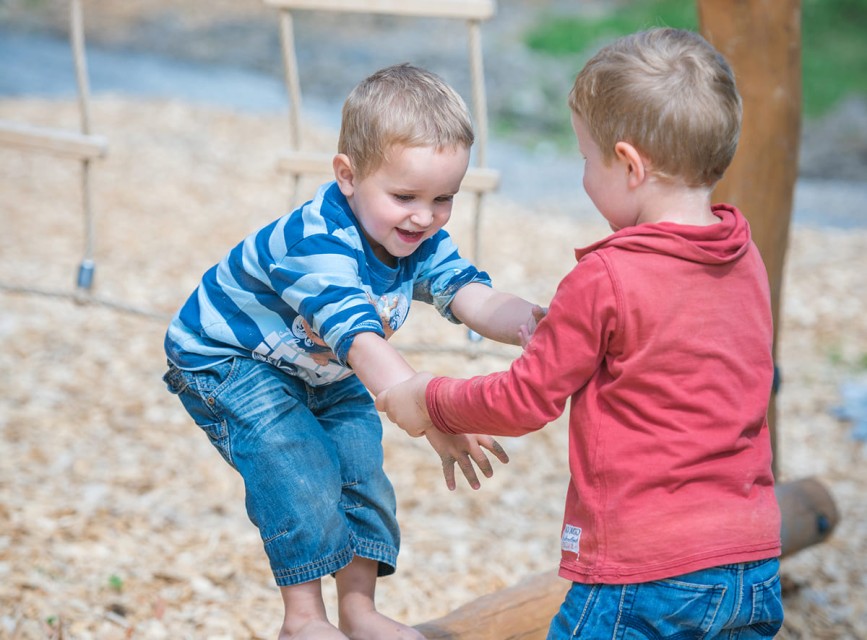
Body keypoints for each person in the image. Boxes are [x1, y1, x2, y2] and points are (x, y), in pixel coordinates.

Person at [376, 28, 784, 638]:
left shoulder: (607, 277)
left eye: (586, 159)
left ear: (630, 165)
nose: (584, 175)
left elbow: (524, 401)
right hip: (752, 559)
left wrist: (429, 396)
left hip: (644, 573)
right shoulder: (743, 256)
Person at [162, 63, 542, 640]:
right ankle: (303, 619)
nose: (425, 215)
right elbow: (361, 343)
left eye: (445, 198)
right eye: (405, 195)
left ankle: (358, 611)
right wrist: (431, 409)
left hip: (317, 364)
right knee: (296, 462)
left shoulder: (415, 236)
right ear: (348, 174)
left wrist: (534, 324)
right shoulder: (316, 244)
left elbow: (471, 294)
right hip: (230, 359)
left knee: (362, 467)